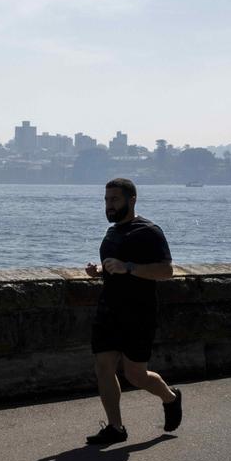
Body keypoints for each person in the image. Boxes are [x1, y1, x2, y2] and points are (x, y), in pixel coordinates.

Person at [84, 177, 182, 445]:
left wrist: (128, 267)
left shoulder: (149, 231)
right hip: (108, 310)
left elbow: (166, 271)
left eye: (114, 199)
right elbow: (115, 267)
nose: (109, 205)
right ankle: (116, 428)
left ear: (132, 199)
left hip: (139, 313)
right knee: (103, 366)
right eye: (106, 200)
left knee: (135, 375)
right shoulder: (112, 232)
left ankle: (170, 397)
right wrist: (101, 271)